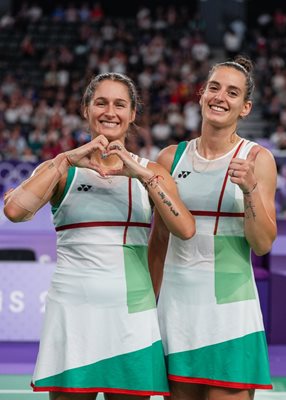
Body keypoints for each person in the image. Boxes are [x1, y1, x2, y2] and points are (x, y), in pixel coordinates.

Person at [4, 72, 196, 400]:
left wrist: (143, 176)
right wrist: (65, 159)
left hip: (132, 315)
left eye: (120, 104)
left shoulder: (151, 173)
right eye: (101, 103)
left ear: (133, 114)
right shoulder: (61, 170)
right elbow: (14, 210)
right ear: (86, 109)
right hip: (73, 313)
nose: (110, 111)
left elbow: (185, 229)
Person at [148, 55, 277, 400]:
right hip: (176, 311)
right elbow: (158, 240)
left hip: (230, 312)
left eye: (232, 93)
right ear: (202, 94)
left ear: (245, 108)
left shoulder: (257, 159)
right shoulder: (169, 159)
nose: (220, 97)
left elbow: (263, 243)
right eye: (214, 87)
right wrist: (146, 308)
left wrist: (249, 189)